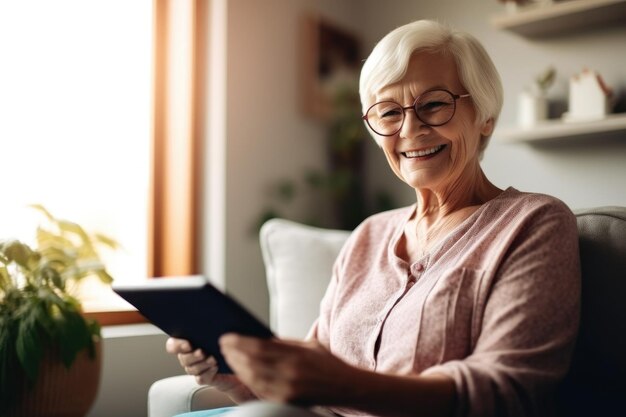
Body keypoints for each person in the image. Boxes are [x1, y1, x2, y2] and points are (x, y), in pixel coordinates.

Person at [166, 20, 581, 417]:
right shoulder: (369, 234)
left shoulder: (533, 223)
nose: (410, 129)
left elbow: (508, 393)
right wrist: (237, 380)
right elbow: (314, 384)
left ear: (485, 115)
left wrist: (341, 384)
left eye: (434, 104)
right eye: (387, 113)